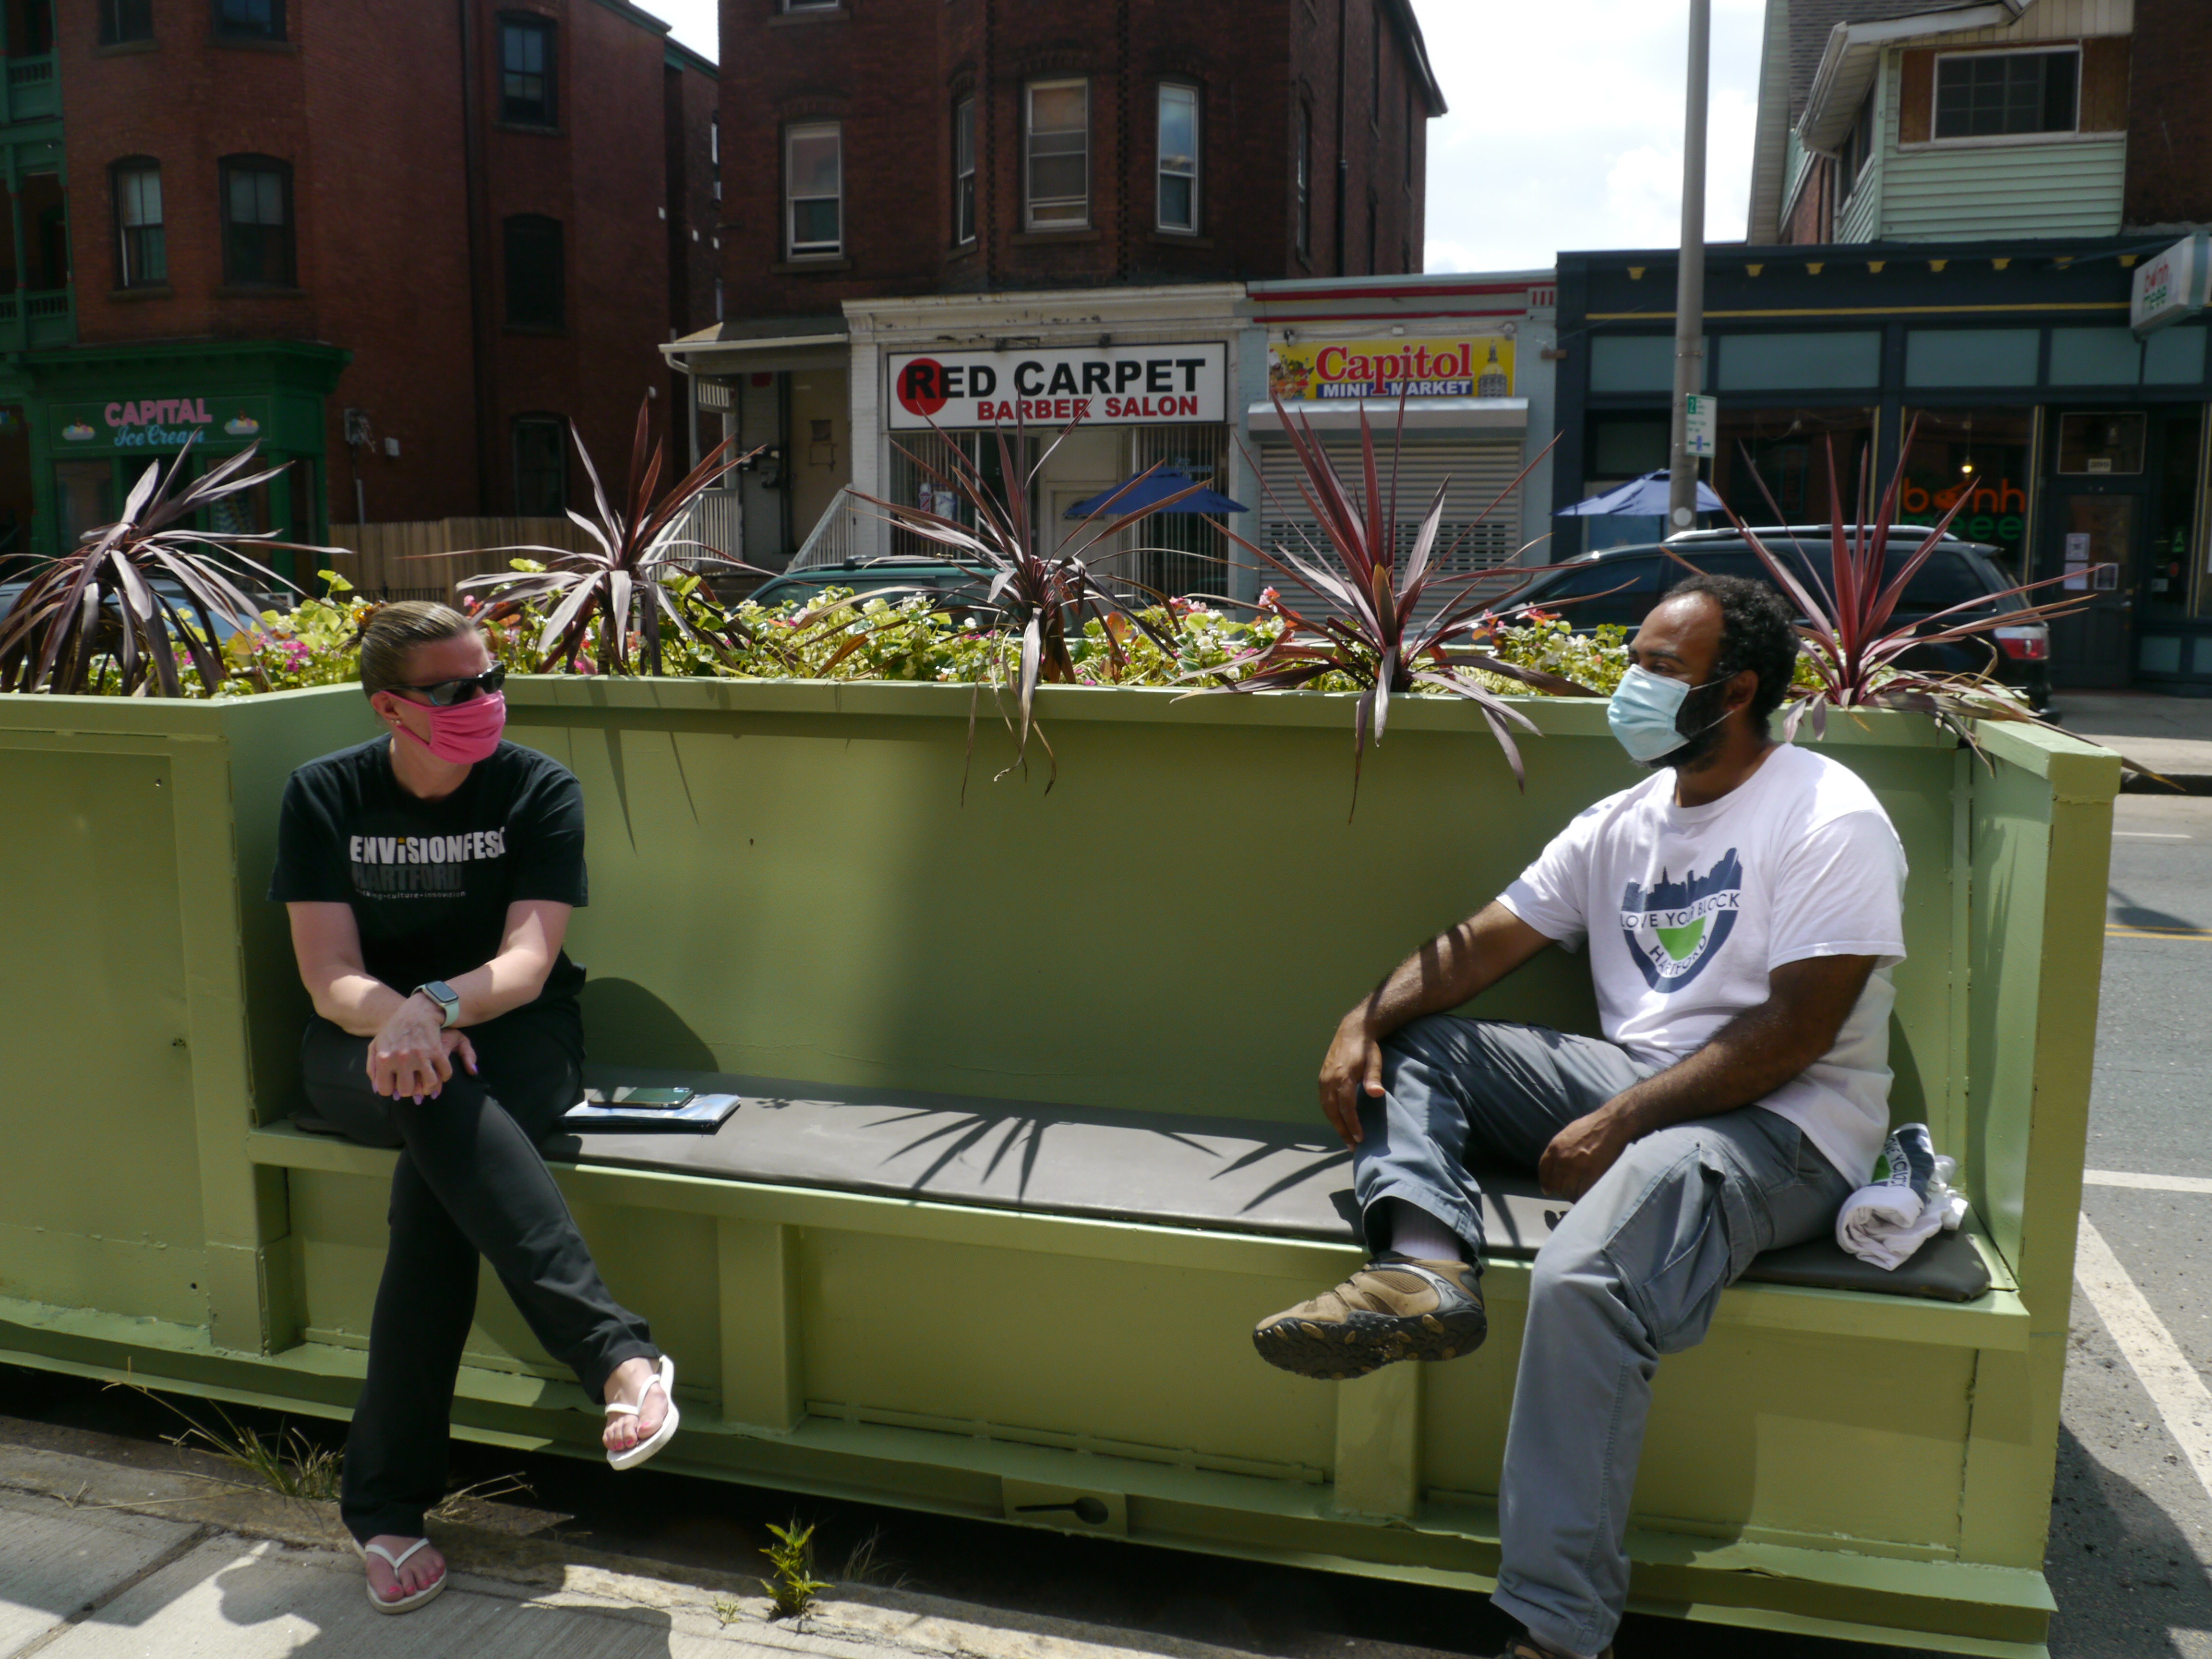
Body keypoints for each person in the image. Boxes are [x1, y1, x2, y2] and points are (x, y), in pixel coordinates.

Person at [1252, 574, 1906, 1659]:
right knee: (1421, 1046)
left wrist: (1626, 1123)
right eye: (1634, 660)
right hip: (1641, 1083)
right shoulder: (1622, 820)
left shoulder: (1828, 814)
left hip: (1786, 1127)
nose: (1628, 686)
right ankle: (1423, 1269)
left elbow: (1799, 1033)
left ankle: (1556, 1631)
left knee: (1584, 1281)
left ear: (1735, 691)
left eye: (1658, 668)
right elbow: (1482, 946)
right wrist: (1362, 1015)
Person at [270, 601, 678, 1615]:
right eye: (455, 690)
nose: (484, 701)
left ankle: (386, 1510)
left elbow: (529, 962)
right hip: (359, 1038)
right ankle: (618, 1359)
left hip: (511, 1033)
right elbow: (327, 976)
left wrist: (439, 1009)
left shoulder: (537, 787)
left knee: (437, 1152)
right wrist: (403, 1022)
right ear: (390, 707)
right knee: (434, 1105)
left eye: (491, 678)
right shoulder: (326, 795)